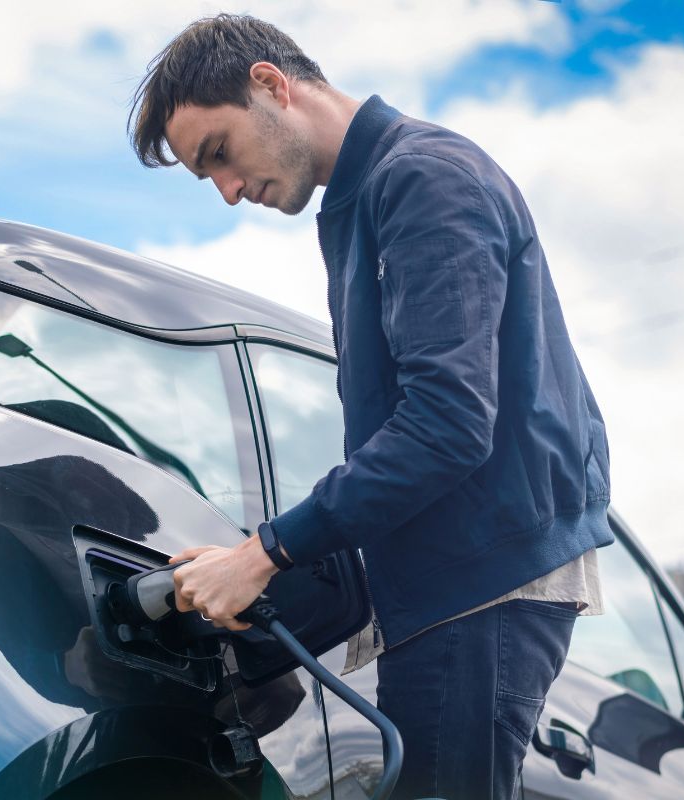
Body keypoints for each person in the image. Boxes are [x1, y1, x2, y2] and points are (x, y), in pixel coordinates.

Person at [128, 14, 613, 799]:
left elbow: (446, 426)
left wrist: (263, 554)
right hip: (452, 580)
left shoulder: (425, 179)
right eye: (203, 176)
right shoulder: (367, 200)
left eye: (219, 152)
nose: (225, 191)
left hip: (479, 586)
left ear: (270, 84)